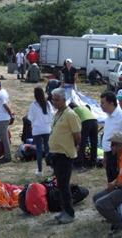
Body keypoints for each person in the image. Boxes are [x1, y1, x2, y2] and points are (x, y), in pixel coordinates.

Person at [49, 88, 81, 224]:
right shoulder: (58, 114)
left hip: (65, 155)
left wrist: (71, 146)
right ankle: (64, 210)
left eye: (57, 100)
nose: (54, 102)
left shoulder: (70, 114)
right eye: (53, 99)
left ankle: (69, 213)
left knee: (64, 185)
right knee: (60, 185)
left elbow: (77, 136)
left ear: (64, 100)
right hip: (56, 154)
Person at [93, 133, 122, 236]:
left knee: (100, 204)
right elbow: (121, 176)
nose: (111, 147)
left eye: (113, 144)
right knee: (96, 198)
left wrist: (115, 185)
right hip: (120, 186)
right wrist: (114, 183)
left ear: (120, 145)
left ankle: (120, 224)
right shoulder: (120, 157)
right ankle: (113, 217)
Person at [27, 87, 53, 176]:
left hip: (37, 129)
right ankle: (52, 166)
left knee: (38, 149)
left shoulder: (33, 105)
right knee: (48, 148)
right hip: (47, 129)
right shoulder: (48, 104)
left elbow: (30, 118)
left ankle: (40, 170)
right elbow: (51, 115)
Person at [100, 91, 122, 182]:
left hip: (117, 155)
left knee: (116, 181)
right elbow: (106, 136)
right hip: (109, 154)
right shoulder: (108, 117)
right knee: (110, 180)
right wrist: (105, 156)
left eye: (103, 103)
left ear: (111, 103)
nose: (101, 105)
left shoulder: (121, 117)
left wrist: (119, 159)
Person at [69, 103, 98, 169]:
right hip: (95, 121)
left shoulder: (73, 111)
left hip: (85, 122)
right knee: (94, 143)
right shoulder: (83, 107)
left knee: (82, 143)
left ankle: (79, 163)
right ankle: (93, 162)